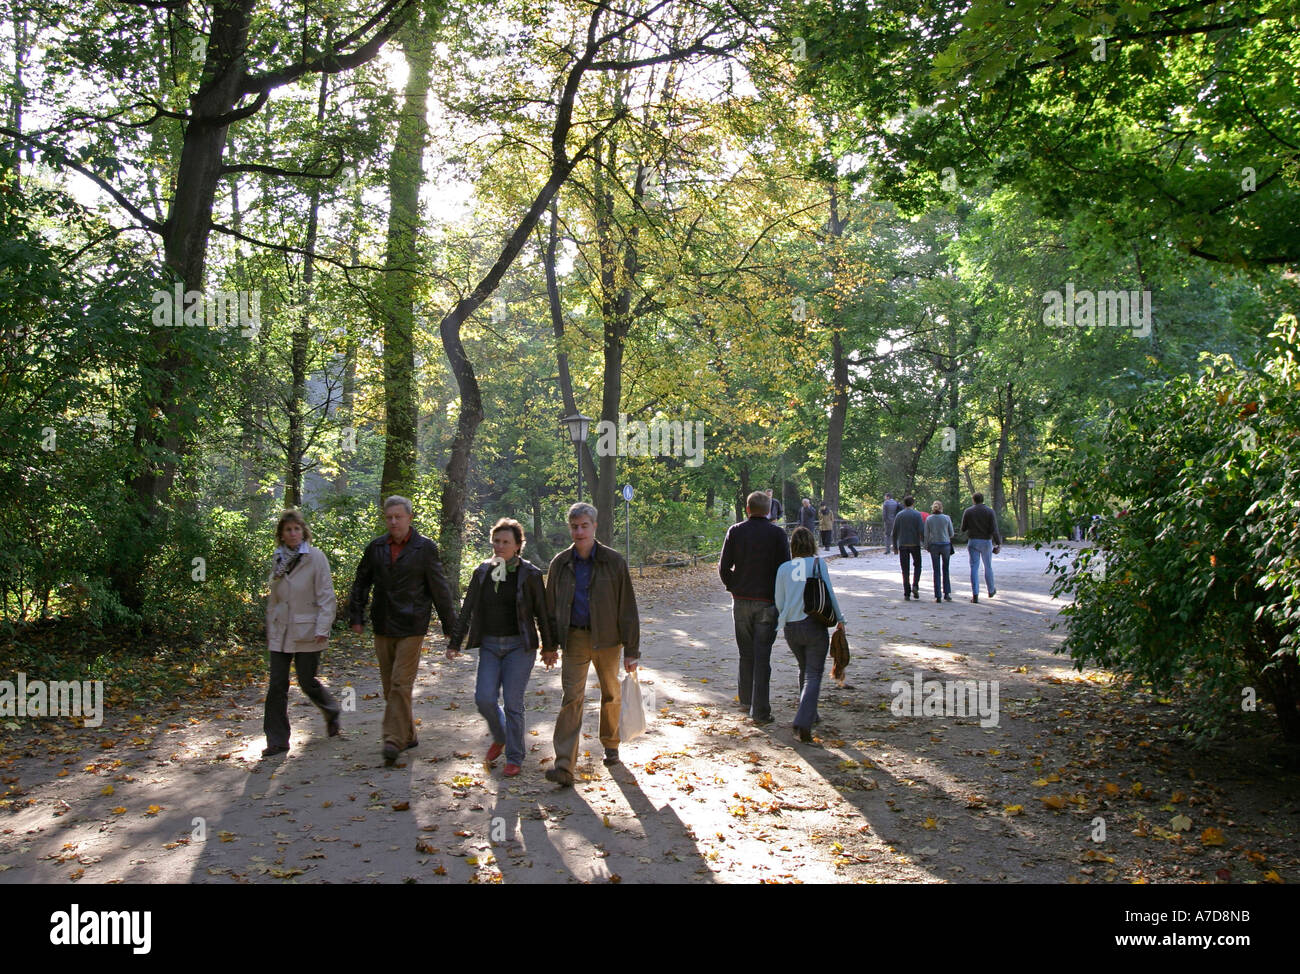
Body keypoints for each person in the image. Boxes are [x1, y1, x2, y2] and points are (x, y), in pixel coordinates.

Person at [348, 496, 457, 765]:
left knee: (400, 683)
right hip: (383, 624)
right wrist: (357, 615)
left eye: (398, 516)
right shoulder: (376, 548)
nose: (394, 522)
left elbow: (439, 588)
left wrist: (450, 626)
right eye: (389, 517)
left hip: (412, 625)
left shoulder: (424, 548)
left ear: (409, 518)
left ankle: (392, 740)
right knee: (390, 688)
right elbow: (361, 582)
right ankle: (408, 734)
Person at [446, 518, 557, 778]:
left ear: (518, 545)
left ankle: (515, 757)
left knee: (512, 703)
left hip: (520, 646)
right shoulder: (482, 571)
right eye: (496, 541)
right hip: (490, 645)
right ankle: (501, 735)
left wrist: (549, 647)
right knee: (484, 698)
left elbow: (542, 612)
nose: (500, 546)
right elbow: (468, 609)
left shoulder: (529, 573)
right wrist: (455, 642)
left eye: (506, 542)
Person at [544, 503, 640, 787]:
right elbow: (549, 608)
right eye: (574, 526)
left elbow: (627, 607)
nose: (579, 531)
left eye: (584, 525)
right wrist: (548, 645)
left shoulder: (613, 561)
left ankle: (611, 744)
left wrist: (632, 650)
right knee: (571, 697)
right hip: (574, 637)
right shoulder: (560, 563)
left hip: (609, 639)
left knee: (611, 693)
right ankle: (564, 765)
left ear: (594, 526)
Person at [263, 510, 341, 757]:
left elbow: (326, 595)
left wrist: (323, 628)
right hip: (280, 631)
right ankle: (277, 741)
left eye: (297, 528)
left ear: (303, 531)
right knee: (277, 685)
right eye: (288, 530)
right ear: (282, 535)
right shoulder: (278, 559)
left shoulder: (315, 557)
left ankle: (331, 709)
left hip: (308, 630)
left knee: (307, 681)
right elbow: (275, 599)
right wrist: (270, 625)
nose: (293, 533)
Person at [718, 490, 791, 725]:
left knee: (745, 653)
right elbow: (785, 569)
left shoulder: (736, 531)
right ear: (769, 510)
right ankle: (760, 711)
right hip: (767, 602)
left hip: (741, 601)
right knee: (763, 656)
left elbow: (723, 567)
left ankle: (746, 700)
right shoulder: (778, 534)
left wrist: (734, 586)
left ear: (748, 509)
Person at [775, 527, 845, 743]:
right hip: (814, 625)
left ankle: (810, 713)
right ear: (812, 544)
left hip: (792, 628)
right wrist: (840, 619)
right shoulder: (817, 564)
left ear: (792, 546)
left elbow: (779, 601)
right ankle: (804, 719)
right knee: (813, 674)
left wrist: (786, 616)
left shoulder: (784, 568)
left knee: (804, 669)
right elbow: (829, 593)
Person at [960, 492, 1002, 603]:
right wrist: (998, 543)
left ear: (973, 500)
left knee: (974, 567)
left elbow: (963, 528)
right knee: (988, 566)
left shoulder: (968, 511)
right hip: (986, 541)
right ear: (983, 500)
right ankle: (991, 590)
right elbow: (994, 529)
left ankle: (975, 594)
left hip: (973, 541)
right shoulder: (989, 511)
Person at [892, 495, 925, 600]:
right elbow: (921, 530)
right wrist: (924, 542)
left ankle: (907, 592)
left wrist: (895, 547)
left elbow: (894, 532)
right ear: (913, 503)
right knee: (918, 566)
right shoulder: (917, 515)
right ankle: (915, 585)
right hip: (915, 544)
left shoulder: (899, 515)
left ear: (904, 504)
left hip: (903, 545)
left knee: (905, 569)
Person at [924, 500, 955, 603]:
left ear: (933, 508)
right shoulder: (947, 518)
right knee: (945, 569)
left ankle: (938, 595)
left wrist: (926, 545)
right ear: (942, 508)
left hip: (934, 546)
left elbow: (926, 534)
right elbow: (951, 533)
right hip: (945, 545)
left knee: (936, 570)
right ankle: (947, 593)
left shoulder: (929, 519)